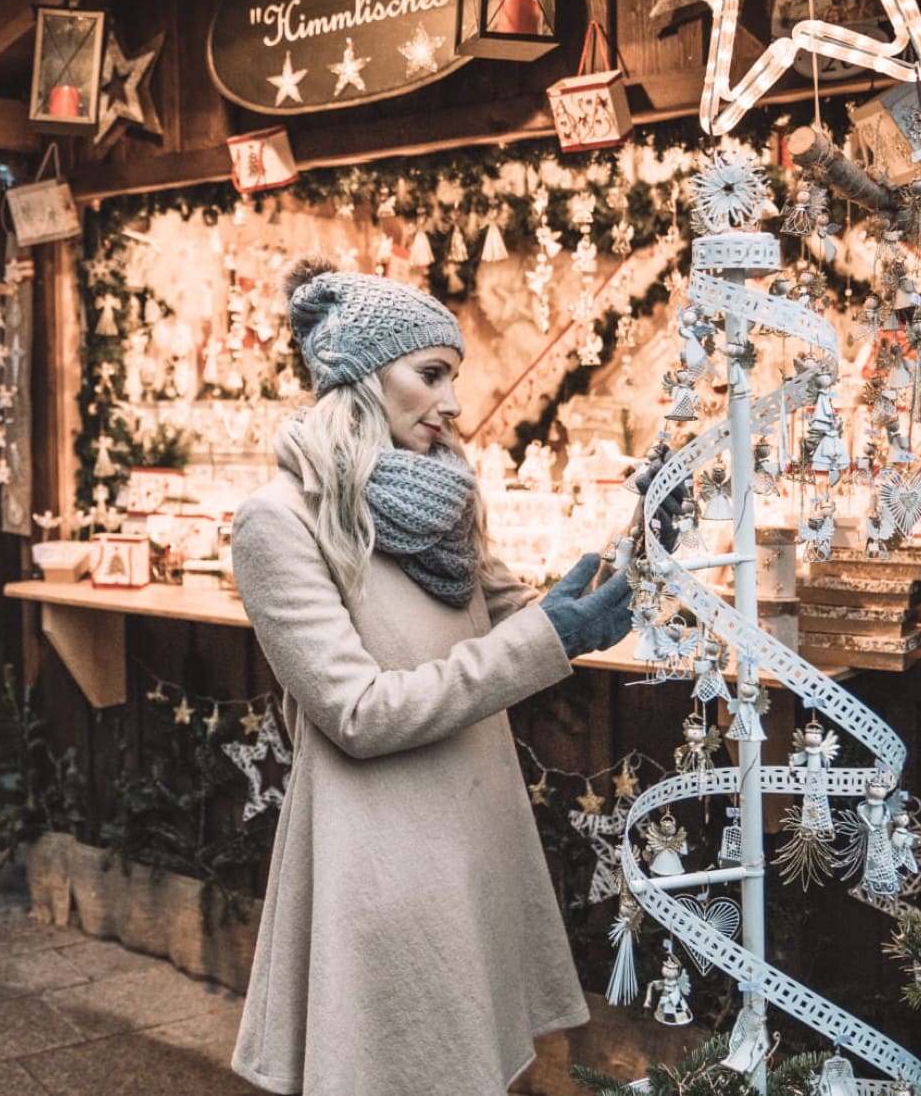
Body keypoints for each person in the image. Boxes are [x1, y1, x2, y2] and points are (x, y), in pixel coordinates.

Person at [229, 259, 634, 1096]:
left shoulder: (443, 496)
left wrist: (621, 563)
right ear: (363, 378)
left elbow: (510, 620)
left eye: (455, 376)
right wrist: (549, 635)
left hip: (474, 834)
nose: (453, 403)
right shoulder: (277, 520)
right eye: (432, 373)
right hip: (387, 853)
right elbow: (356, 712)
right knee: (410, 1066)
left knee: (484, 1062)